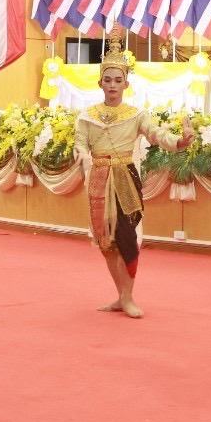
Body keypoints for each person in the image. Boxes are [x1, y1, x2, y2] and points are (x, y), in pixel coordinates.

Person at [74, 28, 193, 318]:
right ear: (99, 81)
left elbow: (157, 134)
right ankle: (120, 295)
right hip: (98, 182)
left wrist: (180, 141)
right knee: (106, 242)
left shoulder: (137, 115)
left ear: (126, 83)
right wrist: (84, 158)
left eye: (118, 80)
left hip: (125, 179)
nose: (112, 85)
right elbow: (79, 146)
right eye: (108, 80)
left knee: (127, 238)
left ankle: (128, 297)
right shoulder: (86, 116)